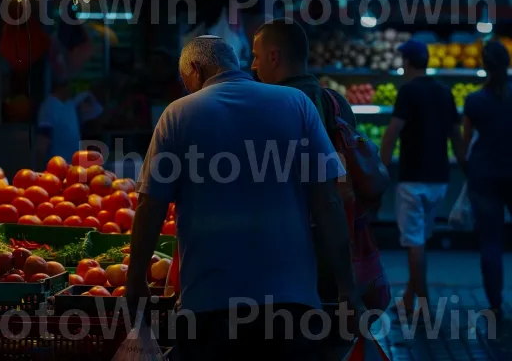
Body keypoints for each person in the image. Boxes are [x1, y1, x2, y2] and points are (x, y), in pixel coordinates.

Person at [126, 36, 366, 360]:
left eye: (186, 83)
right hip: (292, 306)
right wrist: (347, 289)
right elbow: (329, 201)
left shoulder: (178, 115)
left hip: (209, 306)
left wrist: (136, 278)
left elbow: (150, 205)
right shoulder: (296, 103)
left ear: (195, 69)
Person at [251, 18, 360, 360]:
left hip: (284, 257)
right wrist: (348, 285)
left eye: (255, 56)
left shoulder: (270, 105)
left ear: (274, 56)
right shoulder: (336, 102)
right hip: (334, 250)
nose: (251, 65)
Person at [380, 40, 466, 315]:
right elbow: (456, 133)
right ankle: (408, 298)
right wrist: (465, 166)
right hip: (440, 179)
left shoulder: (407, 92)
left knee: (413, 243)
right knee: (420, 240)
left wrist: (379, 169)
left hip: (412, 178)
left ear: (407, 62)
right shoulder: (444, 91)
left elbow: (392, 132)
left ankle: (425, 304)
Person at [463, 41, 512, 319]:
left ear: (484, 65)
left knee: (491, 242)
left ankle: (494, 304)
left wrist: (466, 166)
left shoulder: (474, 101)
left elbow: (465, 141)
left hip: (484, 176)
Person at [35, 77, 81, 169]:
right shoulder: (49, 107)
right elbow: (42, 142)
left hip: (74, 167)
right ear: (61, 87)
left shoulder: (70, 104)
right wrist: (38, 170)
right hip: (57, 168)